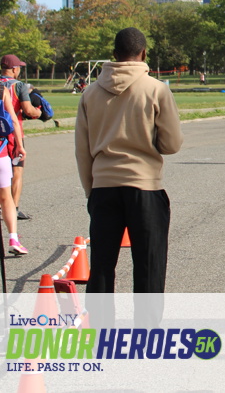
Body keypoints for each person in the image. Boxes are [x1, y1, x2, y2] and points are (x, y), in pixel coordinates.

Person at [76, 27, 183, 326]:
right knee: (149, 265)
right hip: (144, 186)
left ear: (114, 54)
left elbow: (82, 151)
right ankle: (145, 334)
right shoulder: (156, 90)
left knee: (101, 266)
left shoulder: (90, 93)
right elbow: (172, 144)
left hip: (103, 187)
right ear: (144, 53)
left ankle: (101, 332)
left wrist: (91, 191)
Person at [0, 54, 42, 221]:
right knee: (17, 171)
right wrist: (39, 112)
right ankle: (14, 208)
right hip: (14, 134)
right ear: (14, 69)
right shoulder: (19, 86)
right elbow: (28, 110)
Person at [0, 61, 27, 255]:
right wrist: (19, 145)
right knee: (5, 198)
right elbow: (13, 119)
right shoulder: (0, 91)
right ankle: (13, 238)